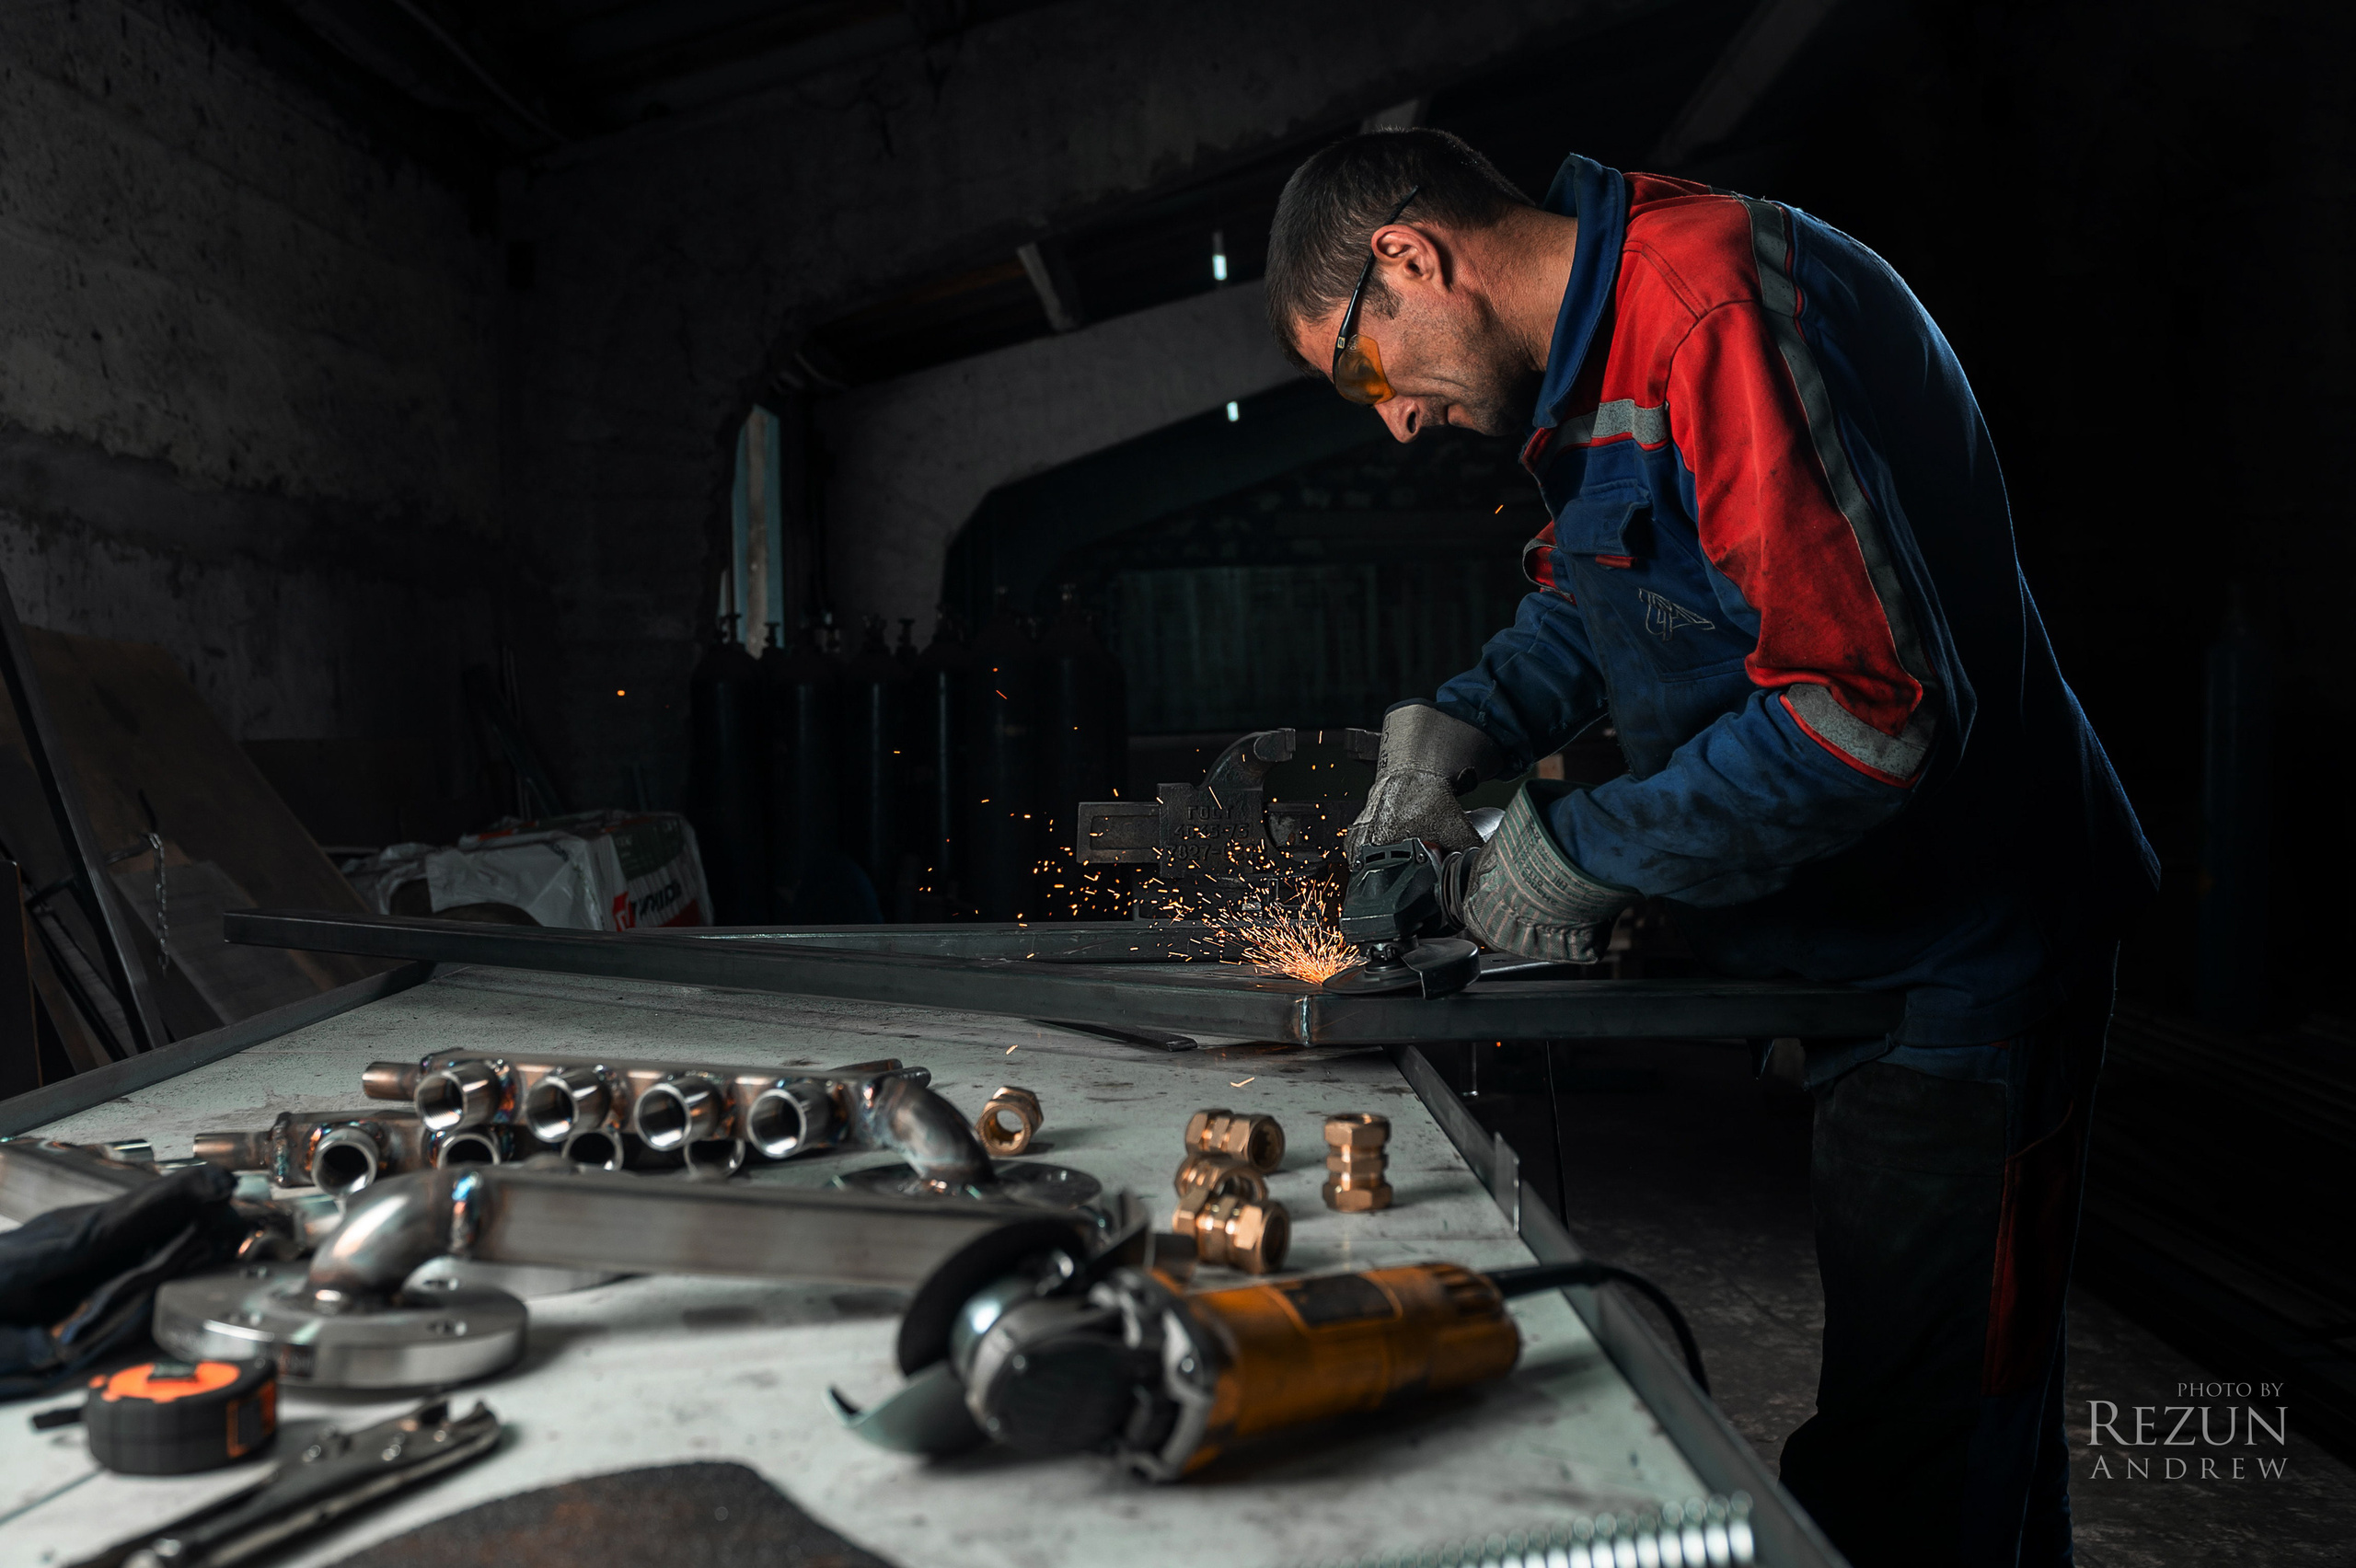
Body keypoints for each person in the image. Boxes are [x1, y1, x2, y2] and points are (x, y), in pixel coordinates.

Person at [1265, 129, 2157, 1567]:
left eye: (1365, 374)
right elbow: (1606, 595)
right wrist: (1457, 735)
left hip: (1966, 954)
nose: (1393, 424)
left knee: (1920, 1451)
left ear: (1410, 260)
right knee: (1947, 1427)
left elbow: (1874, 712)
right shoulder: (1609, 344)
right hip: (1858, 941)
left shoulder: (1714, 305)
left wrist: (1581, 852)